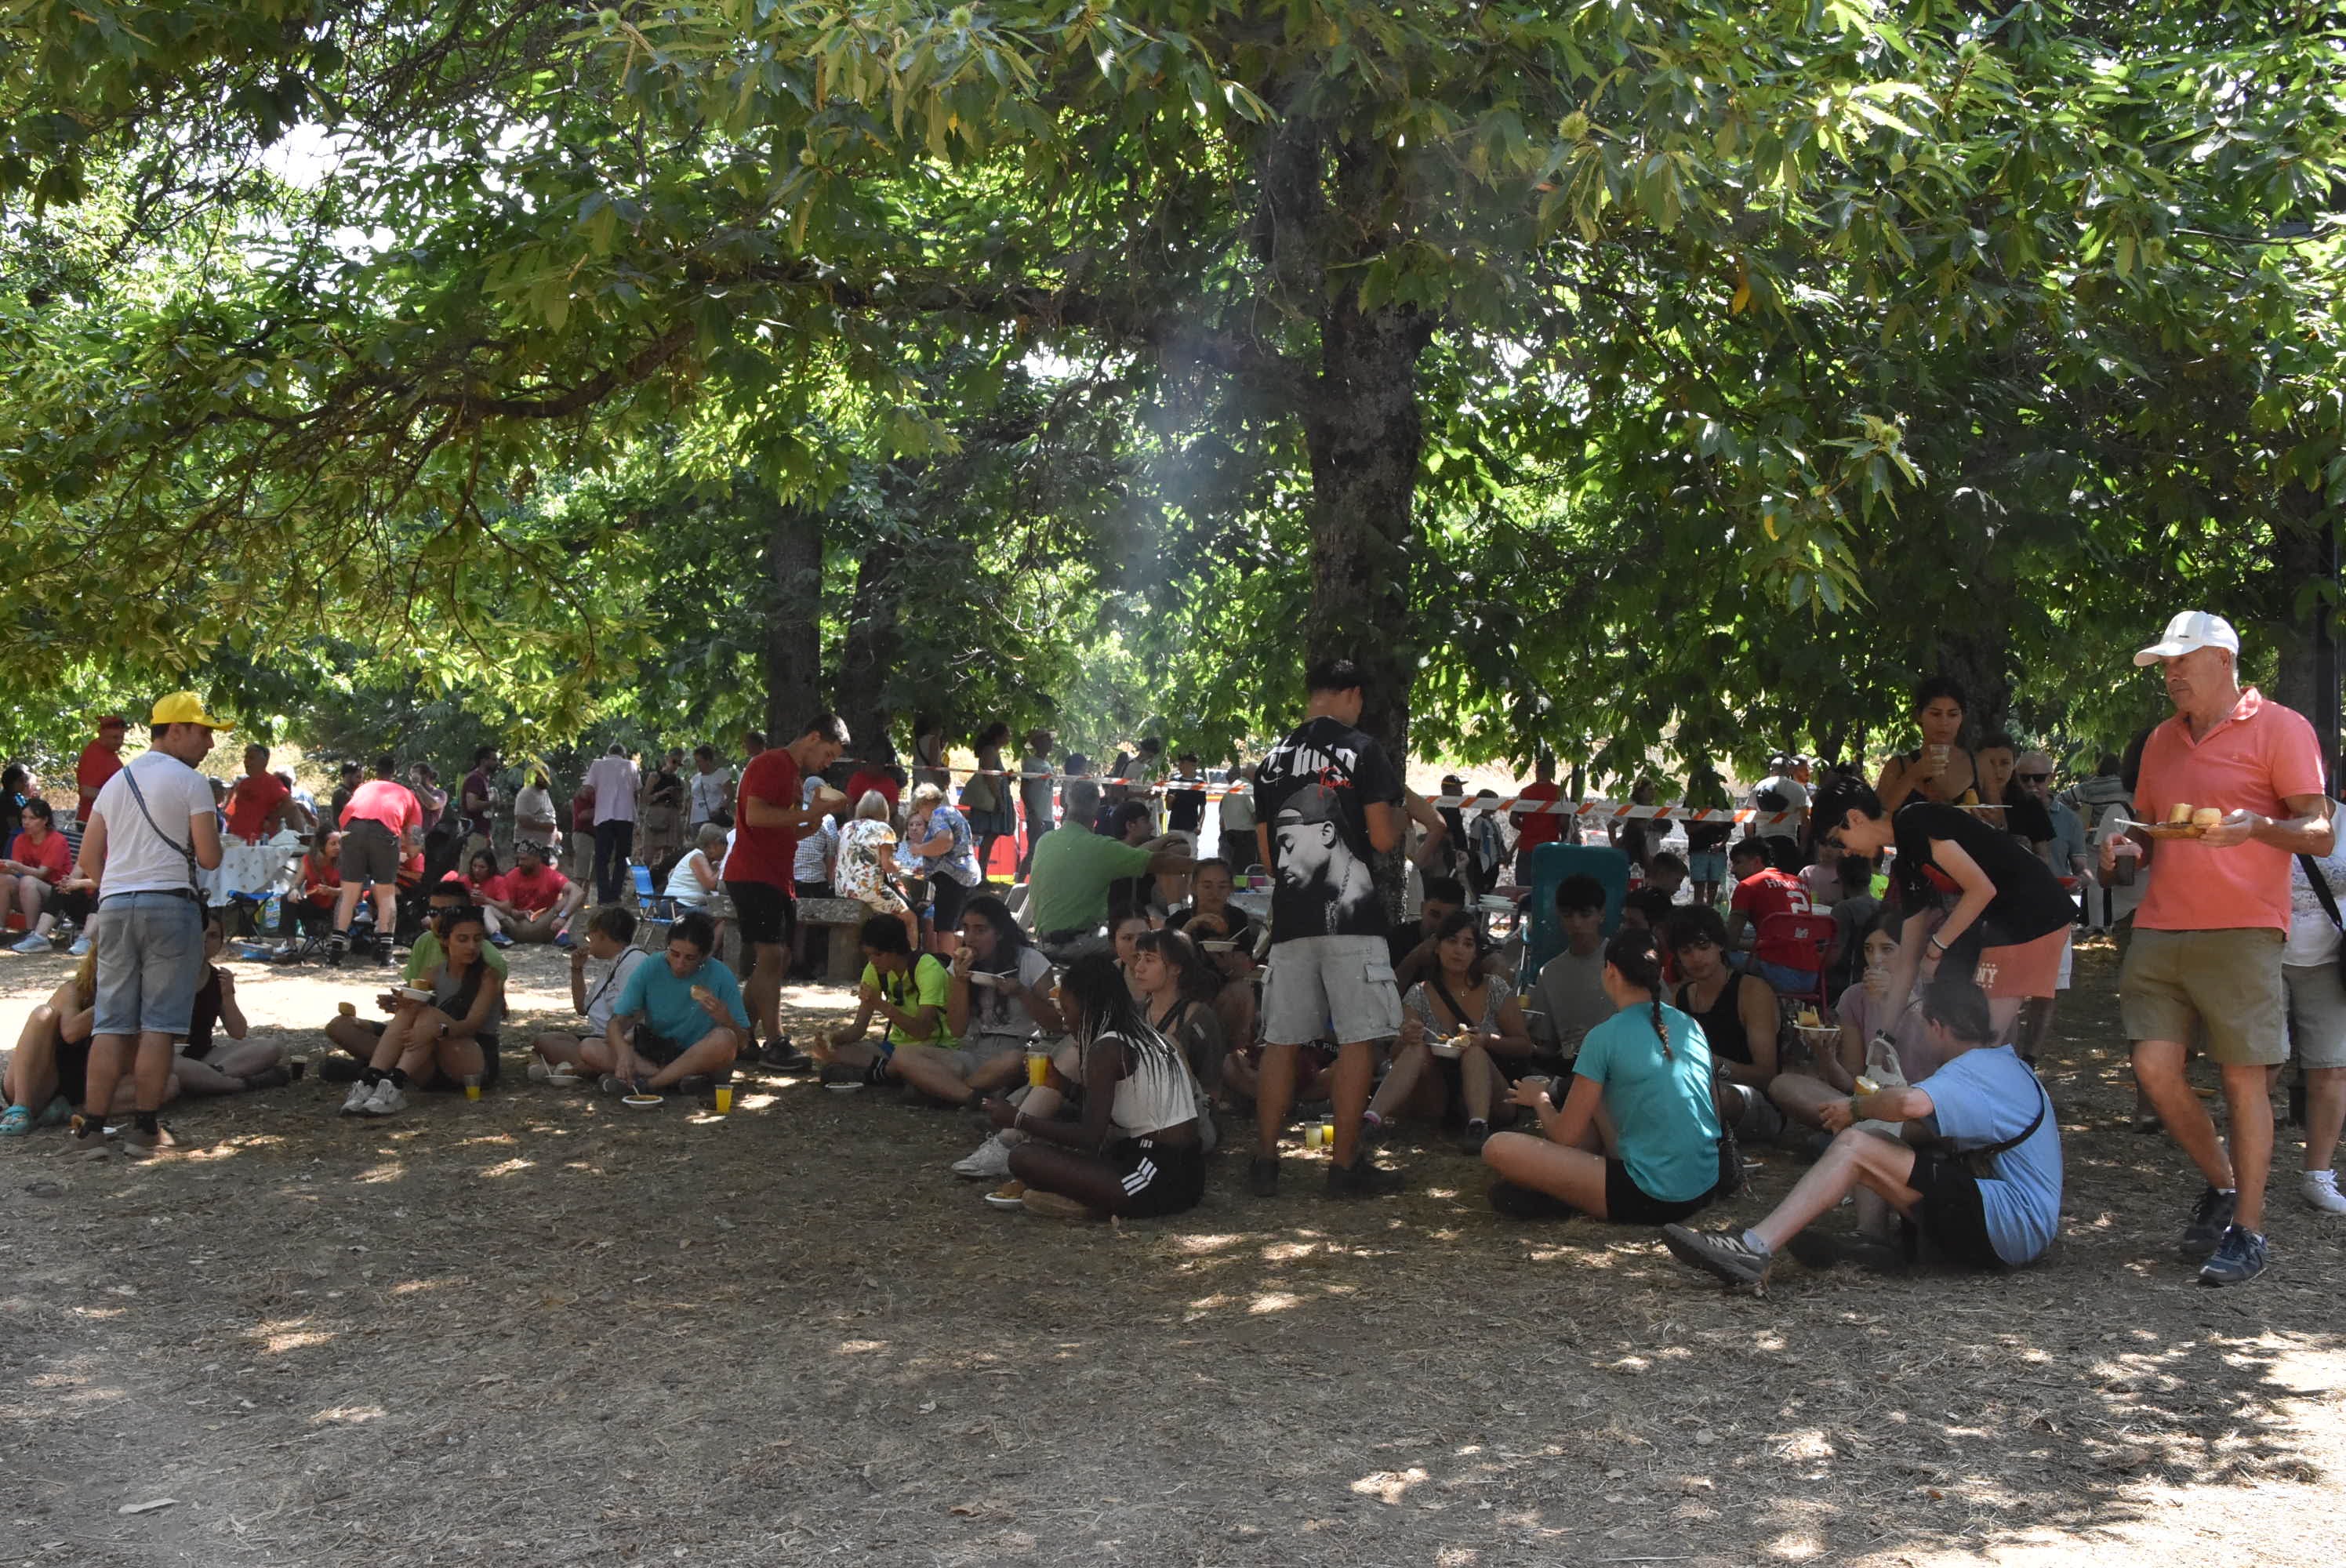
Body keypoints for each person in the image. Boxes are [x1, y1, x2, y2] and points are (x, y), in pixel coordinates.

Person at [2104, 611, 2331, 1285]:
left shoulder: (2283, 727)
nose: (2170, 673)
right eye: (2166, 664)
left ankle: (2249, 1233)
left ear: (2224, 661)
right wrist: (2122, 846)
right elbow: (2149, 833)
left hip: (2243, 928)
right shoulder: (2159, 742)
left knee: (2243, 1079)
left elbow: (2318, 831)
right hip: (2160, 925)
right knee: (2153, 1071)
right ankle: (2225, 1182)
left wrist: (2258, 826)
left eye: (2182, 660)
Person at [1661, 975, 2061, 1287]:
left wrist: (1854, 1109)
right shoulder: (2003, 1065)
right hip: (2014, 1223)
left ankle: (1753, 1248)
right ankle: (1871, 1242)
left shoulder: (1974, 1070)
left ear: (1938, 1026)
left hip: (2011, 1224)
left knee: (1857, 1142)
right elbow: (1919, 1128)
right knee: (1875, 1139)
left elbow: (1908, 1105)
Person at [1251, 657, 1407, 1197]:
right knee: (1359, 1039)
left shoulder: (1271, 761)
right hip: (1352, 918)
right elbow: (1384, 840)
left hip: (1291, 921)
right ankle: (1343, 1168)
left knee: (1282, 1041)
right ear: (1352, 694)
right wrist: (1405, 815)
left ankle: (1265, 1163)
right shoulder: (1362, 749)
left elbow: (1270, 860)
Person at [67, 691, 229, 1153]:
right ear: (174, 729)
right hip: (169, 904)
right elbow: (210, 857)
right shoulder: (191, 782)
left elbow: (88, 857)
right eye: (204, 732)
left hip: (115, 905)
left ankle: (93, 1129)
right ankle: (145, 1128)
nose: (209, 745)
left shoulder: (118, 781)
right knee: (159, 1023)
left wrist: (119, 885)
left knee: (111, 1022)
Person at [1480, 927, 1726, 1223]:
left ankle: (1567, 1194)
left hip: (1651, 1197)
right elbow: (1714, 1111)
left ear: (1610, 970)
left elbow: (1564, 1135)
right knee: (1597, 1100)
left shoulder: (1603, 1037)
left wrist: (1540, 1099)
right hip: (1706, 1183)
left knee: (1498, 1147)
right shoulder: (1690, 1024)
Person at [1810, 777, 2075, 1051]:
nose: (1846, 852)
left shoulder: (1913, 821)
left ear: (1854, 818)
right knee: (1971, 1040)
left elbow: (1981, 889)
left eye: (1838, 841)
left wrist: (1936, 949)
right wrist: (1883, 1039)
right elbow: (1908, 959)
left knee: (1979, 1042)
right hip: (2007, 922)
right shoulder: (1906, 859)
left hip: (2035, 915)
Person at [977, 953, 1206, 1219]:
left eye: (1067, 1011)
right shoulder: (1145, 1036)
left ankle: (1091, 1204)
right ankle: (1086, 1194)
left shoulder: (1107, 1048)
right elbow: (1111, 1108)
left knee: (1022, 1157)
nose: (1064, 1022)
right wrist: (1060, 1084)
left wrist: (1017, 1119)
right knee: (1061, 1153)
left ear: (1089, 1007)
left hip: (1157, 1176)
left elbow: (1089, 1138)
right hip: (1184, 1170)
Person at [723, 716, 849, 1052]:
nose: (827, 763)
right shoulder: (771, 763)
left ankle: (742, 1036)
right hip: (753, 873)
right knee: (771, 955)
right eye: (828, 754)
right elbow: (756, 816)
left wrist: (813, 822)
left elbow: (783, 829)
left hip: (778, 876)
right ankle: (776, 1040)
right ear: (812, 737)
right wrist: (809, 814)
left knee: (779, 958)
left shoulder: (793, 775)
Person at [1368, 911, 1534, 1152]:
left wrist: (1488, 1041)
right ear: (1437, 947)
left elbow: (1524, 1045)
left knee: (1473, 1050)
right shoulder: (1420, 992)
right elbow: (1397, 1052)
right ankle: (1371, 1120)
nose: (1459, 950)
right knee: (1416, 1047)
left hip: (1493, 1093)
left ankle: (1478, 1127)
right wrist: (1408, 1037)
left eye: (1468, 944)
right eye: (1452, 941)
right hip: (1437, 1096)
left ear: (1476, 952)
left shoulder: (1494, 987)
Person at [890, 895, 1061, 1115]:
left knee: (1014, 1060)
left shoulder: (1031, 960)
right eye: (966, 929)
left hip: (1013, 1052)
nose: (970, 939)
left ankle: (939, 1089)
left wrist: (1021, 992)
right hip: (971, 1051)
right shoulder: (959, 965)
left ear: (999, 933)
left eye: (980, 930)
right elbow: (957, 1029)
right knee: (903, 1054)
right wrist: (960, 982)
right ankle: (974, 1098)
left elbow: (1056, 1022)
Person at [321, 881, 514, 1076]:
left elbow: (480, 1021)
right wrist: (399, 1002)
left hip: (456, 1041)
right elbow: (414, 997)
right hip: (417, 1032)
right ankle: (379, 1070)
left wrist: (431, 1025)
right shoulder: (425, 944)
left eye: (446, 911)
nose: (438, 919)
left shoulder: (488, 962)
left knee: (427, 1021)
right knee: (342, 1026)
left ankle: (375, 1071)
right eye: (432, 912)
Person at [338, 907, 507, 1116]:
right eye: (463, 939)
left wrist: (438, 1030)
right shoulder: (434, 972)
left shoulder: (489, 977)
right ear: (446, 940)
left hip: (471, 1061)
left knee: (428, 1014)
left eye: (477, 939)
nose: (472, 946)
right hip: (431, 1063)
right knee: (412, 1008)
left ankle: (395, 1083)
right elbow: (411, 1011)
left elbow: (471, 1025)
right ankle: (371, 1080)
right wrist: (398, 1004)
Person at [1663, 904, 1785, 1143]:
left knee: (1710, 1095)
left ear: (1720, 945)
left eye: (1703, 947)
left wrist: (1713, 1064)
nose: (1696, 958)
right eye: (1686, 951)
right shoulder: (1680, 996)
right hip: (1694, 1093)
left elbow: (1767, 1076)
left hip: (1755, 1105)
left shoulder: (1751, 992)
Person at [1024, 796, 1190, 956]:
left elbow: (1181, 849)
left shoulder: (1046, 840)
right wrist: (1206, 865)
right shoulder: (1103, 848)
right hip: (1083, 939)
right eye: (1146, 821)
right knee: (1150, 946)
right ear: (1130, 826)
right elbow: (1162, 860)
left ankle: (1176, 922)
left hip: (1049, 940)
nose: (1152, 826)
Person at [2284, 810, 2346, 1214]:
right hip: (2262, 951)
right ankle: (2236, 1177)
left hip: (2331, 960)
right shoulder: (2254, 817)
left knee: (2332, 1067)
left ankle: (2318, 1175)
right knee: (2256, 1066)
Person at [1, 949, 129, 1133]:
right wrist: (114, 1001)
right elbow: (71, 1032)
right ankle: (20, 1109)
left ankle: (71, 1112)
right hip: (38, 1079)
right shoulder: (73, 990)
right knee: (42, 1014)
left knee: (169, 1084)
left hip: (82, 1091)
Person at [525, 904, 652, 1082]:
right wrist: (577, 970)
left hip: (622, 1042)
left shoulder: (634, 962)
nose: (588, 942)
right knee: (545, 1040)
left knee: (587, 1048)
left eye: (589, 936)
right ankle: (592, 1068)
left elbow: (633, 1016)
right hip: (598, 1037)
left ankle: (587, 1069)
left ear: (602, 935)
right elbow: (582, 1008)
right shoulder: (612, 964)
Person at [820, 914, 952, 1083]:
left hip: (933, 1049)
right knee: (836, 1055)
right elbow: (859, 1028)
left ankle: (887, 1073)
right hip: (894, 1049)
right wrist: (831, 1039)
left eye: (878, 954)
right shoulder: (874, 969)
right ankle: (889, 1072)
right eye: (869, 955)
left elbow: (922, 1032)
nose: (873, 961)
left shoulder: (927, 968)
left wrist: (880, 1004)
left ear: (896, 949)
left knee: (909, 1072)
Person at [167, 916, 289, 1096]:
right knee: (170, 1064)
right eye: (199, 934)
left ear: (221, 943)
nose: (205, 940)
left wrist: (227, 995)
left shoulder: (219, 978)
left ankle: (205, 1079)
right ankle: (238, 1084)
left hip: (206, 1058)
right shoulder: (165, 972)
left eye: (213, 935)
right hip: (168, 1055)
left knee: (270, 1047)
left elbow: (238, 1032)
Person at [329, 754, 421, 962]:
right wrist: (405, 850)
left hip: (351, 828)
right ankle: (386, 954)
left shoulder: (363, 788)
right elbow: (415, 845)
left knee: (349, 892)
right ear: (394, 773)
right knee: (385, 891)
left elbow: (344, 820)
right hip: (385, 831)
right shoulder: (408, 796)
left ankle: (335, 953)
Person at [1165, 858, 1259, 1050]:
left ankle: (1231, 1054)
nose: (1214, 893)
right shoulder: (1179, 920)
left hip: (1225, 992)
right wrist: (1190, 927)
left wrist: (1231, 967)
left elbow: (1245, 965)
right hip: (1185, 991)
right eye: (1207, 886)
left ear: (1231, 889)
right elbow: (1166, 962)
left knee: (1242, 991)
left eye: (1222, 886)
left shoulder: (1236, 918)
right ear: (1194, 887)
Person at [1525, 874, 1614, 1062]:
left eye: (1585, 915)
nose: (1576, 923)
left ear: (1602, 914)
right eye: (1568, 915)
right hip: (1571, 1069)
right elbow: (1545, 1046)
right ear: (1559, 916)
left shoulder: (1626, 962)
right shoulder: (1549, 974)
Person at [1723, 837, 1816, 991]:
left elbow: (1730, 941)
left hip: (1777, 972)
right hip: (1811, 975)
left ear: (1756, 861)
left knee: (1715, 953)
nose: (1733, 870)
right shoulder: (1800, 883)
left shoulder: (1748, 886)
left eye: (1738, 862)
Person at [1876, 677, 1981, 812]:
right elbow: (1876, 819)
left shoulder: (1978, 764)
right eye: (1935, 714)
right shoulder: (1898, 767)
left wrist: (1992, 819)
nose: (1944, 722)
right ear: (1919, 715)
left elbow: (2001, 824)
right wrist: (1912, 776)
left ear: (1962, 717)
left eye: (1953, 715)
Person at [835, 789, 916, 947]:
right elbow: (887, 865)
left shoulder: (846, 828)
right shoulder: (884, 830)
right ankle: (911, 962)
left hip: (842, 889)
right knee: (911, 919)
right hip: (868, 889)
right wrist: (899, 867)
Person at [902, 782, 984, 935]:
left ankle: (944, 959)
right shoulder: (951, 812)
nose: (920, 814)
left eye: (919, 808)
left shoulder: (938, 815)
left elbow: (945, 842)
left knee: (945, 929)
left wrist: (919, 849)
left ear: (924, 803)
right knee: (958, 928)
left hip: (952, 878)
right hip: (966, 877)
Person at [6, 798, 79, 954]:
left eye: (32, 818)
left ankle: (32, 932)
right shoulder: (20, 839)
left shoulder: (57, 841)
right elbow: (14, 871)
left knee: (28, 881)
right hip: (30, 894)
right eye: (24, 817)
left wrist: (16, 866)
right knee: (4, 880)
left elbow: (41, 873)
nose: (26, 822)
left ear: (45, 820)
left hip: (57, 894)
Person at [489, 839, 586, 945]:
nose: (520, 863)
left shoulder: (551, 875)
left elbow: (579, 892)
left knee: (572, 898)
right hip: (518, 926)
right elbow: (508, 909)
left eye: (524, 859)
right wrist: (519, 913)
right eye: (519, 859)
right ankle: (498, 936)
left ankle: (562, 934)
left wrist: (563, 916)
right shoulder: (512, 876)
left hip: (545, 925)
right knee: (488, 907)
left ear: (537, 859)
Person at [584, 742, 641, 905]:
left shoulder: (598, 764)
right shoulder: (632, 765)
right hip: (625, 816)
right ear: (623, 754)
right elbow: (638, 790)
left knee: (602, 858)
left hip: (604, 816)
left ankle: (603, 896)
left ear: (607, 753)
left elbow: (588, 788)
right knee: (622, 857)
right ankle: (616, 894)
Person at [961, 722, 1017, 877]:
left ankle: (982, 872)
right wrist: (998, 798)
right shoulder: (990, 751)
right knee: (988, 835)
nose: (1009, 738)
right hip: (990, 801)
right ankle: (980, 873)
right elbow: (989, 777)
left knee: (990, 836)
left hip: (994, 798)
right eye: (1007, 734)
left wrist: (1007, 778)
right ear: (998, 736)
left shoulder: (994, 752)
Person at [1821, 853, 1881, 999]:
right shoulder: (1881, 907)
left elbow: (1833, 956)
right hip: (1872, 980)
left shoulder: (1844, 909)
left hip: (1842, 986)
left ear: (1841, 880)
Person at [223, 743, 295, 844]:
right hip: (235, 839)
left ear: (264, 762)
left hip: (257, 841)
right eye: (246, 757)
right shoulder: (244, 783)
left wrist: (272, 818)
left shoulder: (272, 782)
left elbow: (290, 804)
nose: (246, 761)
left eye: (251, 758)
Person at [1510, 753, 1564, 881]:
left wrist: (1527, 829)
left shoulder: (1525, 792)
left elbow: (1513, 819)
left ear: (1536, 771)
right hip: (1549, 849)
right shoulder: (1559, 793)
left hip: (1526, 848)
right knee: (1547, 888)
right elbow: (1563, 822)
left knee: (1523, 890)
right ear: (1552, 772)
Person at [1016, 728, 1057, 876]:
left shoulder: (1048, 765)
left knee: (1047, 853)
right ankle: (1019, 884)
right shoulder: (1031, 763)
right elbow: (1024, 790)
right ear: (1037, 743)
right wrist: (1033, 814)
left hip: (1048, 815)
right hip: (1037, 815)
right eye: (1047, 739)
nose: (1051, 742)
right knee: (1033, 851)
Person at [74, 714, 128, 825]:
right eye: (114, 737)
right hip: (91, 822)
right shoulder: (94, 755)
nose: (119, 742)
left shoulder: (109, 753)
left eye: (122, 738)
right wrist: (120, 797)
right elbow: (87, 791)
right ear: (102, 735)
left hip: (104, 821)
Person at [792, 775, 840, 898]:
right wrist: (831, 885)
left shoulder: (792, 814)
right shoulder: (827, 819)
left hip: (790, 882)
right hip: (815, 883)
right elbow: (831, 856)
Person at [666, 822, 730, 914]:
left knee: (722, 912)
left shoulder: (707, 860)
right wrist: (725, 864)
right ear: (713, 846)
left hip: (687, 906)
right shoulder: (697, 857)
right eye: (725, 847)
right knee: (720, 913)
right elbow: (711, 885)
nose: (726, 851)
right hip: (676, 906)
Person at [640, 747, 687, 868]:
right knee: (648, 857)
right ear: (667, 759)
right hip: (655, 817)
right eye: (674, 762)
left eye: (679, 764)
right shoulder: (655, 776)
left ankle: (661, 885)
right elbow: (645, 798)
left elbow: (682, 807)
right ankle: (642, 886)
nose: (676, 766)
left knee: (668, 860)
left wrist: (677, 797)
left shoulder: (680, 782)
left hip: (672, 817)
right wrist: (661, 793)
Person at [459, 746, 499, 858]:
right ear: (483, 761)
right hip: (474, 834)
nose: (497, 763)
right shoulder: (475, 779)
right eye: (494, 760)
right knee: (470, 871)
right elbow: (471, 805)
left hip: (482, 833)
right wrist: (492, 802)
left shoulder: (484, 779)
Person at [1217, 761, 1257, 869]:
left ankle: (1237, 885)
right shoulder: (1248, 788)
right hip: (1246, 837)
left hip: (1229, 835)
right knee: (1246, 869)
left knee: (1233, 869)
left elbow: (1222, 820)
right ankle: (1242, 886)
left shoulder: (1231, 788)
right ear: (1253, 775)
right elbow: (1255, 815)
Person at [512, 768, 559, 856]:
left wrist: (555, 833)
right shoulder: (526, 793)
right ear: (534, 776)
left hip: (545, 847)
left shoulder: (545, 793)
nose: (545, 778)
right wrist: (548, 827)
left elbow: (548, 816)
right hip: (529, 847)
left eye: (547, 775)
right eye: (541, 775)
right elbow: (522, 820)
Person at [1165, 751, 1208, 844]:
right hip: (1175, 827)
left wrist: (1200, 826)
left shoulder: (1200, 783)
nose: (1179, 766)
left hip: (1191, 829)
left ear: (1191, 765)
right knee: (1174, 856)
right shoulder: (1174, 781)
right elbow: (1168, 808)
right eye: (1179, 763)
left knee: (1191, 857)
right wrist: (1170, 801)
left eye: (1182, 763)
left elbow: (1203, 808)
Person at [688, 745, 734, 831]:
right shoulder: (695, 779)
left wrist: (721, 809)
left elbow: (730, 795)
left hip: (715, 819)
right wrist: (688, 822)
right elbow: (691, 801)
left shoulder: (721, 774)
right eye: (696, 761)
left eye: (699, 761)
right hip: (696, 821)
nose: (697, 764)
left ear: (708, 760)